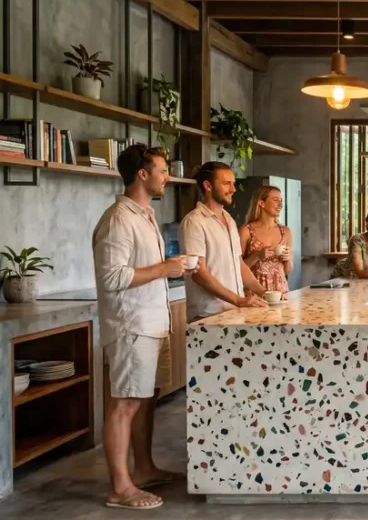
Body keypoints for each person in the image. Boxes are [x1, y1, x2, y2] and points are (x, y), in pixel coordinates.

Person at [92, 145, 191, 510]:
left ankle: (144, 468)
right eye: (163, 170)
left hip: (151, 322)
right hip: (131, 324)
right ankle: (120, 487)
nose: (167, 176)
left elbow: (142, 267)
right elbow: (112, 276)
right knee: (125, 403)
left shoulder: (145, 215)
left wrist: (170, 265)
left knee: (144, 400)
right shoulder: (119, 218)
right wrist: (164, 269)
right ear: (143, 174)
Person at [181, 162, 268, 321]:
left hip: (233, 312)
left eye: (233, 184)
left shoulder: (229, 220)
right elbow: (198, 274)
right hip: (208, 316)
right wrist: (238, 300)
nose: (233, 189)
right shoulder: (194, 222)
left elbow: (239, 264)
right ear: (208, 185)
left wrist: (265, 293)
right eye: (227, 184)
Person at [239, 185, 293, 298]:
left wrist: (287, 260)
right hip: (254, 294)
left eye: (281, 201)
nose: (280, 205)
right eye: (275, 200)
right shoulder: (246, 231)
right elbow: (237, 267)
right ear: (261, 203)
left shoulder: (286, 232)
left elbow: (288, 270)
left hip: (280, 293)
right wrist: (257, 256)